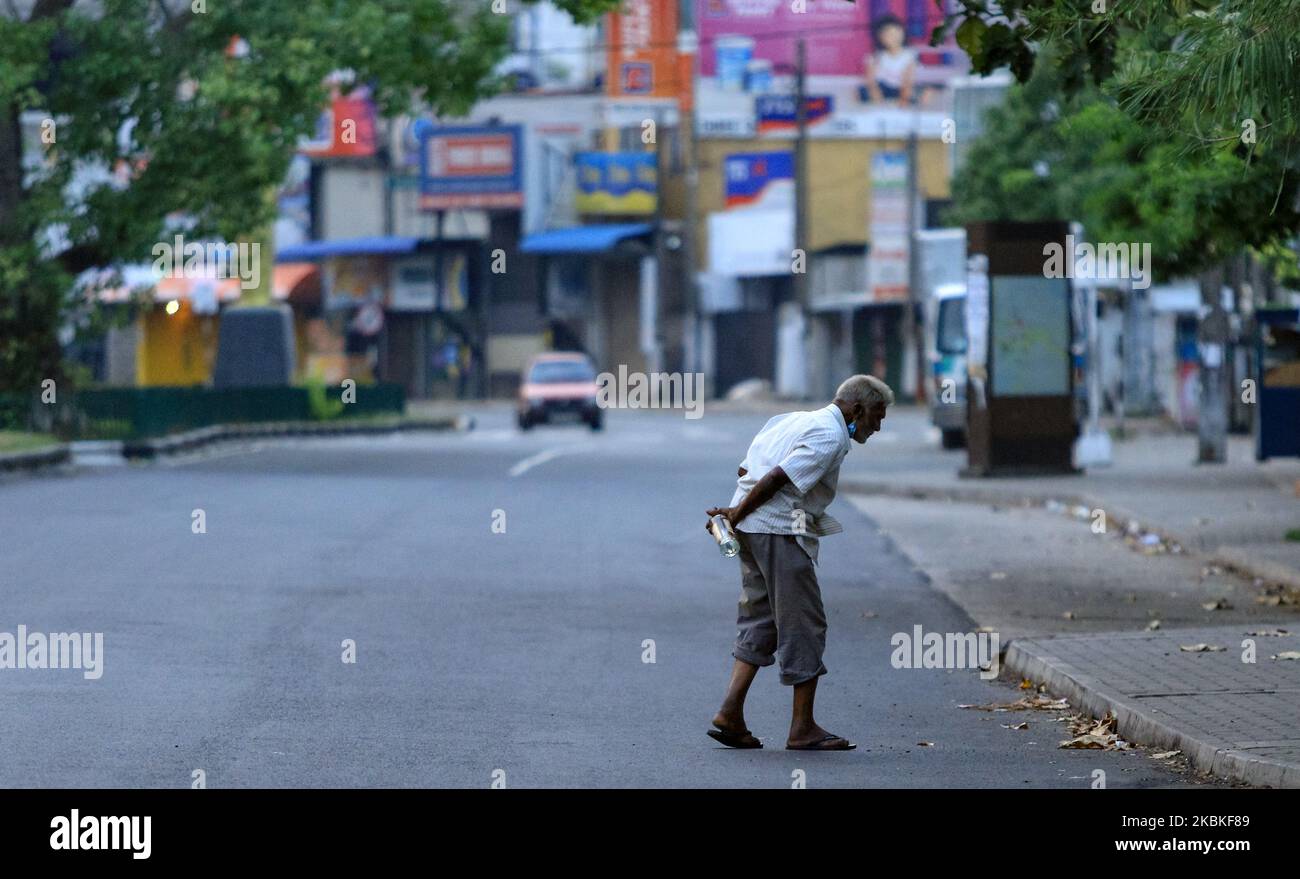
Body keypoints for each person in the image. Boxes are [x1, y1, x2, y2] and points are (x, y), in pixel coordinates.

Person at [705, 375, 894, 750]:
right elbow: (778, 477)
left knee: (763, 617)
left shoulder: (790, 420)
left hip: (752, 532)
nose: (878, 425)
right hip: (778, 532)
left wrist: (736, 513)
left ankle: (730, 712)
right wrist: (739, 513)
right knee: (804, 623)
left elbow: (747, 472)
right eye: (877, 415)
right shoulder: (830, 435)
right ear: (857, 409)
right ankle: (802, 727)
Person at [860, 14, 916, 106]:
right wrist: (876, 96)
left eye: (896, 33)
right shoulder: (875, 56)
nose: (894, 38)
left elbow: (908, 79)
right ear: (880, 37)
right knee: (862, 92)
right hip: (882, 88)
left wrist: (904, 98)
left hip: (901, 88)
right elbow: (870, 80)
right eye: (889, 35)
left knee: (921, 93)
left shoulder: (909, 55)